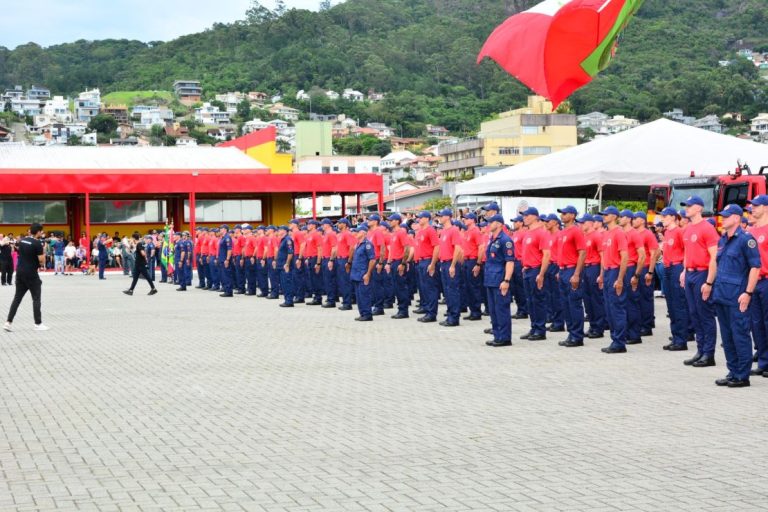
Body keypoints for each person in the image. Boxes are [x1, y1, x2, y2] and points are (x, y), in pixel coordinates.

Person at [711, 204, 761, 388]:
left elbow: (755, 267)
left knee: (740, 334)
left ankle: (742, 375)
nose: (723, 218)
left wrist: (748, 293)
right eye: (722, 216)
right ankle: (733, 371)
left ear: (737, 218)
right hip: (722, 295)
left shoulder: (746, 240)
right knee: (727, 336)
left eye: (726, 216)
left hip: (737, 296)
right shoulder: (723, 240)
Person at [680, 195, 719, 368]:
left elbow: (714, 257)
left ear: (699, 208)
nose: (686, 208)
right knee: (694, 313)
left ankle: (709, 354)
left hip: (702, 273)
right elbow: (688, 253)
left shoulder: (707, 228)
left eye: (689, 206)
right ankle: (700, 350)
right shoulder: (688, 229)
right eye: (686, 206)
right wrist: (684, 271)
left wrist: (709, 282)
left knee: (705, 314)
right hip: (690, 273)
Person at [4, 223, 49, 332]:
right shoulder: (38, 243)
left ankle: (8, 323)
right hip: (31, 274)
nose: (41, 233)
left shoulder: (22, 240)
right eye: (41, 231)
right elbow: (42, 261)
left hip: (20, 272)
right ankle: (38, 324)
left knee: (17, 298)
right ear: (38, 232)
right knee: (36, 298)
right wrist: (44, 251)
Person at [597, 206, 629, 353]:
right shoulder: (606, 234)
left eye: (606, 214)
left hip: (616, 271)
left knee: (617, 308)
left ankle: (620, 342)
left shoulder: (619, 233)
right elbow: (604, 258)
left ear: (614, 216)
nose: (604, 216)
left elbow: (625, 257)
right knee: (609, 308)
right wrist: (602, 275)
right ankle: (614, 339)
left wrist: (620, 278)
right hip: (608, 272)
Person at [658, 207, 690, 351]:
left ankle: (681, 340)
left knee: (678, 304)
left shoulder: (679, 231)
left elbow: (687, 251)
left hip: (677, 267)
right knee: (671, 305)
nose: (662, 219)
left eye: (664, 216)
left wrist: (684, 270)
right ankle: (676, 336)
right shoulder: (667, 232)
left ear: (672, 217)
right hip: (667, 268)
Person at [556, 205, 587, 347]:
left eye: (565, 213)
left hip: (572, 270)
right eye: (562, 213)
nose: (562, 215)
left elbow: (582, 253)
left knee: (574, 304)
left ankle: (577, 336)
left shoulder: (576, 231)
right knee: (565, 304)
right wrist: (559, 270)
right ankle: (571, 333)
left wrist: (576, 274)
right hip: (563, 270)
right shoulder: (563, 232)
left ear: (573, 215)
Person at [483, 214, 515, 347]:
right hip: (490, 278)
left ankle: (505, 337)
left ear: (499, 224)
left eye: (492, 222)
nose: (489, 224)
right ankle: (497, 335)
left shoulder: (505, 240)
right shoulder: (492, 239)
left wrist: (506, 280)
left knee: (501, 309)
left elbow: (509, 262)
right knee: (493, 309)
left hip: (500, 279)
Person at [745, 195, 768, 377]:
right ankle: (763, 361)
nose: (752, 208)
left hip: (767, 280)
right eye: (752, 205)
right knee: (757, 323)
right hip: (754, 282)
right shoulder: (750, 232)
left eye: (756, 205)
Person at [520, 207, 550, 341]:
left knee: (538, 300)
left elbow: (546, 254)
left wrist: (541, 273)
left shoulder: (541, 233)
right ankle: (534, 327)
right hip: (527, 270)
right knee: (530, 301)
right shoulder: (528, 232)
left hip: (536, 269)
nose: (524, 218)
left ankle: (540, 329)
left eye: (526, 216)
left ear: (534, 216)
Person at [437, 209, 464, 327]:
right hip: (444, 263)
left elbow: (457, 249)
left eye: (441, 216)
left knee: (453, 291)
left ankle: (454, 317)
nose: (439, 218)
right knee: (447, 292)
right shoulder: (443, 231)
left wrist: (453, 265)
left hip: (450, 263)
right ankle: (450, 315)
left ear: (448, 217)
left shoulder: (454, 230)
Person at [414, 211, 440, 323]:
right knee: (424, 288)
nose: (418, 220)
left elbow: (436, 247)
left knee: (430, 288)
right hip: (421, 261)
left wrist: (433, 264)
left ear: (426, 219)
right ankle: (427, 310)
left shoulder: (430, 230)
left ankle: (432, 313)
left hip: (428, 260)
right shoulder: (420, 232)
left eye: (420, 218)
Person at [461, 212, 485, 321]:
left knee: (474, 287)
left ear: (472, 220)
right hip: (466, 261)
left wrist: (478, 263)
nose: (464, 220)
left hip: (473, 260)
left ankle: (476, 312)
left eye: (466, 219)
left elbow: (481, 247)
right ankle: (472, 310)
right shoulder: (467, 232)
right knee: (468, 287)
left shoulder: (476, 231)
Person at [350, 225, 376, 321]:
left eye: (358, 231)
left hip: (363, 273)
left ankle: (367, 314)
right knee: (359, 296)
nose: (356, 233)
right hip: (356, 274)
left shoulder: (367, 244)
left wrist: (368, 274)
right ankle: (362, 313)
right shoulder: (358, 244)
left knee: (364, 295)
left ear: (364, 233)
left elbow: (372, 260)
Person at [275, 225, 295, 307]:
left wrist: (287, 264)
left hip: (285, 266)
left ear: (284, 231)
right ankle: (287, 300)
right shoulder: (283, 240)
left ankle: (289, 301)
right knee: (283, 284)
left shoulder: (288, 240)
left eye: (280, 230)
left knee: (287, 283)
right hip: (281, 265)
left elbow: (290, 253)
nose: (278, 231)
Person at [218, 225, 234, 297]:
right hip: (222, 259)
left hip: (225, 260)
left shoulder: (227, 238)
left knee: (227, 276)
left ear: (225, 229)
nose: (220, 230)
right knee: (224, 276)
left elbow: (229, 249)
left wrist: (227, 259)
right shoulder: (223, 238)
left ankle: (229, 291)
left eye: (221, 228)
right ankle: (226, 290)